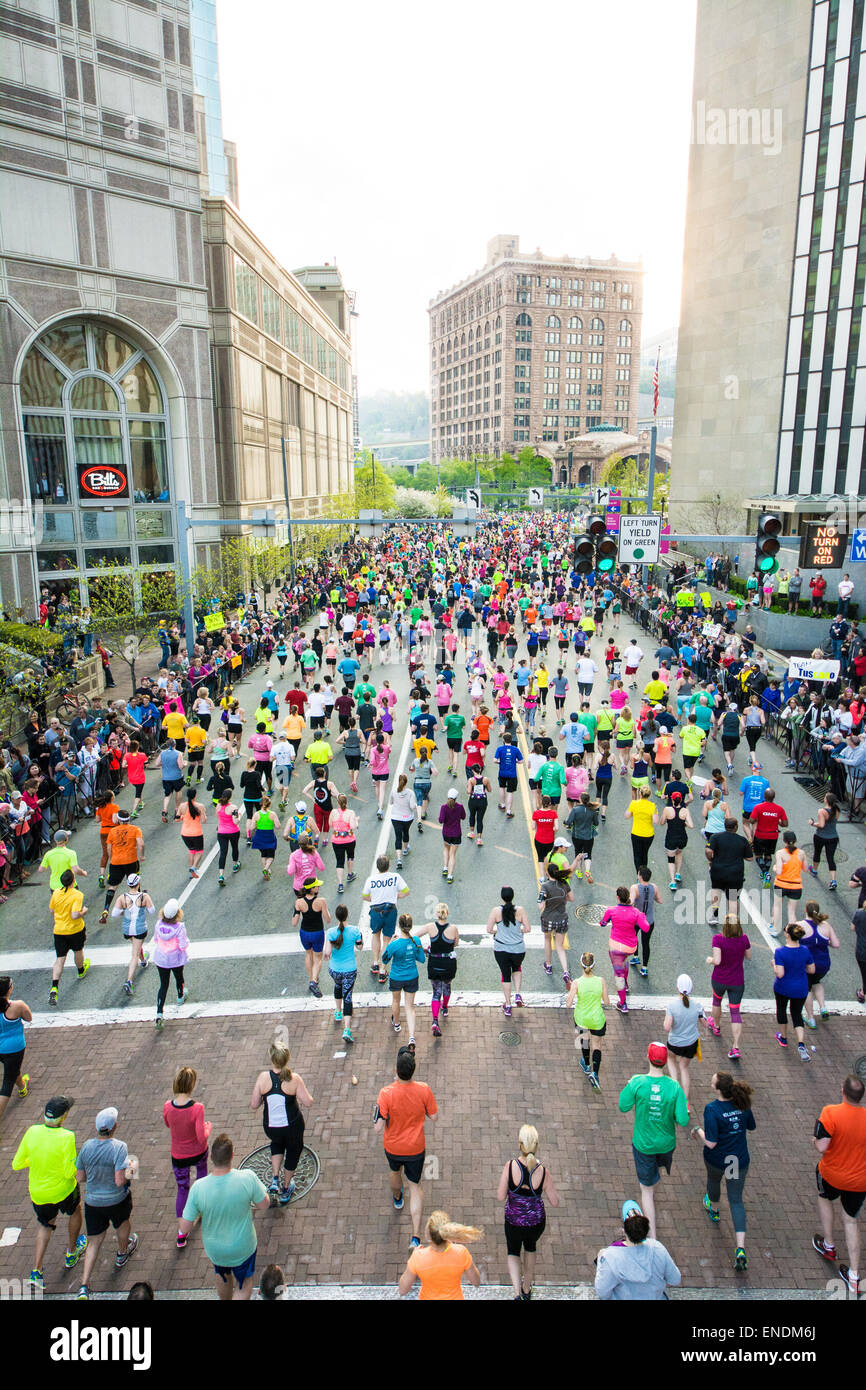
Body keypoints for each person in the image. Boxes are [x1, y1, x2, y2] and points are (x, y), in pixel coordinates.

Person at [178, 1133, 270, 1302]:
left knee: (222, 1275)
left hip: (216, 1250)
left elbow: (184, 1228)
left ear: (211, 1157)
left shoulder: (199, 1188)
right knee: (244, 1283)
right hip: (243, 1246)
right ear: (232, 1156)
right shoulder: (247, 1178)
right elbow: (264, 1204)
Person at [12, 1094, 86, 1290]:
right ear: (63, 1117)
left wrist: (37, 1161)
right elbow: (69, 1171)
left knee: (45, 1225)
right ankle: (72, 1252)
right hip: (64, 1189)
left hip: (39, 1193)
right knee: (76, 1211)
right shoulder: (67, 1136)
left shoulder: (32, 1132)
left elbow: (17, 1163)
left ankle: (36, 1271)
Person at [617, 1041, 689, 1240]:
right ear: (665, 1062)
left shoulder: (638, 1082)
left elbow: (623, 1106)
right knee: (655, 1176)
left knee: (646, 1191)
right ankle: (653, 1181)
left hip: (644, 1145)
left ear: (648, 1058)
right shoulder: (674, 1088)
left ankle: (653, 1238)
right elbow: (683, 1120)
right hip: (666, 1145)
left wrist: (630, 1087)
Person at [374, 1046, 438, 1250]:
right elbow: (434, 1116)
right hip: (415, 1148)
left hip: (392, 1146)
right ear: (413, 1070)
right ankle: (415, 1236)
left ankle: (397, 1198)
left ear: (396, 1070)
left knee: (394, 1172)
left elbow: (377, 1127)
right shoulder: (424, 1089)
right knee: (415, 1186)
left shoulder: (385, 1093)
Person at [691, 1072, 755, 1272]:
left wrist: (697, 1130)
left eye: (713, 1079)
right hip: (736, 1160)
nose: (711, 1080)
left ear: (717, 1088)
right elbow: (751, 1126)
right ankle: (740, 1248)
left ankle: (715, 1211)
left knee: (713, 1182)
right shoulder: (741, 1104)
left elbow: (711, 1142)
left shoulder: (712, 1109)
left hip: (717, 1159)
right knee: (736, 1200)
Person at [74, 1106, 138, 1300]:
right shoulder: (119, 1147)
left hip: (93, 1201)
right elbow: (120, 1180)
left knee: (94, 1241)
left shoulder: (86, 1147)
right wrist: (132, 1169)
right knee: (122, 1224)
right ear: (114, 1126)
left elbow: (80, 1176)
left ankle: (84, 1285)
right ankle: (122, 1252)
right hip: (116, 1199)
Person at [812, 1073, 866, 1295]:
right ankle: (854, 1276)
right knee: (850, 1220)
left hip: (832, 1174)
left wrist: (814, 1140)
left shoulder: (830, 1113)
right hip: (860, 1180)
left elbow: (822, 1147)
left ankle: (829, 1244)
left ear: (842, 1092)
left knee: (824, 1198)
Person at [497, 1124, 560, 1300]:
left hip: (513, 1222)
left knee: (513, 1251)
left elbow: (501, 1196)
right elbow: (554, 1202)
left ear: (520, 1144)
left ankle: (517, 1293)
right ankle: (526, 1288)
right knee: (530, 1248)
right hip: (535, 1223)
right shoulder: (543, 1172)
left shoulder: (510, 1167)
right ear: (536, 1145)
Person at [250, 1042, 314, 1205]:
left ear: (272, 1058)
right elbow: (308, 1102)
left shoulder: (263, 1078)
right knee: (293, 1151)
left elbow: (254, 1104)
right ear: (287, 1059)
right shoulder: (294, 1079)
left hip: (271, 1127)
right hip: (292, 1126)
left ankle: (275, 1178)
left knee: (277, 1145)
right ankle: (286, 1188)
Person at [163, 1065, 211, 1248]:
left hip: (179, 1155)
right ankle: (203, 1213)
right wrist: (208, 1128)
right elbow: (201, 1136)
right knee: (201, 1181)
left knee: (183, 1189)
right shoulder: (197, 1108)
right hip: (198, 1153)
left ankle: (182, 1233)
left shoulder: (168, 1106)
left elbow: (168, 1124)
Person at [594, 1202, 682, 1300]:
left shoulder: (610, 1257)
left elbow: (602, 1293)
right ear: (646, 1231)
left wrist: (601, 1262)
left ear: (624, 1231)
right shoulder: (658, 1248)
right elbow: (675, 1279)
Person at [397, 1210, 482, 1300]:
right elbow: (476, 1282)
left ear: (428, 1235)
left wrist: (413, 1257)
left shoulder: (418, 1257)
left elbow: (403, 1290)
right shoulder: (461, 1252)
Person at [707, 916, 752, 1060]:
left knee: (716, 1001)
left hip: (719, 978)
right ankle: (736, 1047)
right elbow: (749, 956)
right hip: (737, 981)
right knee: (735, 1012)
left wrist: (710, 960)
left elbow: (718, 960)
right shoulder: (744, 939)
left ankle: (717, 1026)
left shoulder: (718, 939)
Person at [362, 854, 409, 983]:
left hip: (376, 911)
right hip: (390, 910)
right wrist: (396, 896)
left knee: (375, 935)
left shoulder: (371, 879)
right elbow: (406, 891)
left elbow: (364, 896)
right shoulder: (395, 877)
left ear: (377, 867)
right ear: (388, 866)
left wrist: (375, 899)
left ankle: (375, 963)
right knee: (387, 939)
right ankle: (383, 969)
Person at [663, 973, 707, 1111]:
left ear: (677, 987)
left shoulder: (672, 1006)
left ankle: (675, 1090)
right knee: (684, 1068)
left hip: (675, 1042)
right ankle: (685, 1102)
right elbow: (705, 1023)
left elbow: (667, 1027)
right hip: (691, 1042)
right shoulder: (697, 1005)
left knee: (671, 1060)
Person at [603, 885, 650, 1014]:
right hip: (630, 947)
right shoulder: (636, 913)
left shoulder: (611, 910)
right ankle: (626, 984)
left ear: (617, 897)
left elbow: (603, 923)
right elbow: (646, 928)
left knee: (618, 976)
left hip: (616, 947)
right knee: (624, 961)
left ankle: (623, 1003)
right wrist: (642, 916)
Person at [566, 952, 609, 1091]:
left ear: (581, 965)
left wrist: (572, 989)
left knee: (584, 1041)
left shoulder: (577, 983)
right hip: (597, 1019)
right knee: (597, 1044)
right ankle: (595, 1073)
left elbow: (568, 1003)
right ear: (594, 965)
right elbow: (607, 1002)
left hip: (581, 1018)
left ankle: (586, 1064)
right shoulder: (600, 981)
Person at [487, 887, 531, 1017]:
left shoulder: (496, 911)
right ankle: (517, 994)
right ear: (513, 896)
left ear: (502, 897)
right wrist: (518, 931)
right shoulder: (520, 910)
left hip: (501, 949)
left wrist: (499, 931)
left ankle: (508, 1004)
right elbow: (527, 929)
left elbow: (489, 929)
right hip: (518, 948)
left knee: (505, 974)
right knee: (517, 968)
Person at [774, 921, 815, 1060]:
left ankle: (783, 1038)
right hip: (801, 988)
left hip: (783, 987)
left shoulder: (780, 952)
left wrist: (774, 964)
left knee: (781, 1009)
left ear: (787, 935)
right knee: (796, 1014)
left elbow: (780, 974)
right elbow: (812, 969)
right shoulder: (805, 950)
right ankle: (801, 1043)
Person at [416, 903, 459, 1038]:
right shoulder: (453, 928)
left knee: (436, 992)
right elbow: (455, 944)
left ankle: (435, 1020)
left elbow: (414, 937)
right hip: (448, 963)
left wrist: (424, 948)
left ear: (437, 914)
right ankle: (444, 1007)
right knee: (447, 986)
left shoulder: (430, 927)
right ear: (447, 914)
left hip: (434, 963)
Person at [383, 913, 426, 1044]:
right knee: (410, 1007)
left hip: (396, 977)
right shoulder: (416, 941)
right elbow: (422, 959)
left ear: (399, 926)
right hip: (412, 976)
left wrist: (390, 942)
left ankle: (397, 1024)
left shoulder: (395, 944)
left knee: (396, 1001)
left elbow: (384, 959)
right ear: (411, 926)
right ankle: (411, 1037)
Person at [48, 867, 89, 1006]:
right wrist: (84, 911)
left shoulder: (56, 894)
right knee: (78, 951)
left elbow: (51, 911)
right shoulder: (77, 894)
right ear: (73, 881)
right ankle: (80, 970)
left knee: (60, 959)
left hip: (59, 930)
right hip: (75, 929)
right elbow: (75, 914)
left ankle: (54, 987)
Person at [324, 903, 363, 1044]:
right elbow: (359, 947)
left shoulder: (331, 932)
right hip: (349, 970)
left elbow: (327, 952)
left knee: (337, 986)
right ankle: (347, 1029)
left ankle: (338, 1011)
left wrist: (328, 954)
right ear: (347, 915)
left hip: (334, 969)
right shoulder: (354, 931)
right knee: (348, 996)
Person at [111, 872, 154, 997]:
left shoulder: (122, 897)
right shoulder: (144, 896)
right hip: (139, 928)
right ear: (138, 883)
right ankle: (129, 980)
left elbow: (114, 914)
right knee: (134, 954)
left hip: (127, 929)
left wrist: (125, 912)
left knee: (136, 945)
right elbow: (152, 911)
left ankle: (143, 960)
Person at [98, 809, 144, 923]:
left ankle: (106, 909)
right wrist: (142, 855)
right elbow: (141, 844)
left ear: (118, 819)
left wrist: (112, 858)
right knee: (134, 884)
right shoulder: (135, 829)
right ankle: (137, 908)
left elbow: (108, 848)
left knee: (113, 886)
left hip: (116, 862)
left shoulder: (112, 831)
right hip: (131, 860)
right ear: (128, 819)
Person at [800, 903, 841, 1028]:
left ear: (805, 910)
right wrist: (824, 942)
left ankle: (811, 1018)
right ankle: (823, 1008)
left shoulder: (800, 925)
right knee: (816, 982)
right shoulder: (826, 926)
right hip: (823, 964)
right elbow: (836, 944)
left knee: (806, 988)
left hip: (808, 964)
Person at [152, 898, 190, 1028]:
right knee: (179, 977)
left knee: (163, 984)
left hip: (161, 958)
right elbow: (183, 945)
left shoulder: (158, 925)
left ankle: (159, 1013)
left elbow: (156, 940)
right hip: (176, 958)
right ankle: (180, 996)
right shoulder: (180, 928)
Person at [0, 976, 30, 1129]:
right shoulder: (17, 1005)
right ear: (9, 989)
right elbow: (28, 1017)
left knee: (12, 1070)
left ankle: (23, 1088)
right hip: (14, 1048)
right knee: (6, 1084)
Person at [293, 875, 330, 998]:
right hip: (317, 933)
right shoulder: (321, 901)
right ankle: (314, 981)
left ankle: (311, 979)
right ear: (312, 889)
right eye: (317, 886)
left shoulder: (298, 902)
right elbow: (328, 919)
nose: (319, 887)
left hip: (304, 932)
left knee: (308, 954)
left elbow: (294, 923)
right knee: (318, 957)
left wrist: (297, 911)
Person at [539, 862, 573, 986]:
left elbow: (540, 904)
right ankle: (565, 972)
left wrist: (545, 900)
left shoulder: (545, 886)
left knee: (548, 940)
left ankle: (548, 965)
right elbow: (571, 898)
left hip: (548, 917)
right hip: (562, 917)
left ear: (547, 873)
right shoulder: (564, 884)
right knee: (560, 946)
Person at [772, 830, 807, 935]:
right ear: (795, 840)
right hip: (796, 886)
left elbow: (778, 871)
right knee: (791, 911)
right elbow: (805, 869)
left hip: (780, 884)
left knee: (777, 906)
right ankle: (793, 932)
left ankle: (775, 928)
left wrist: (774, 868)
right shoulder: (801, 853)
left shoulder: (780, 853)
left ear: (784, 841)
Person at [660, 792, 692, 889]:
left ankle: (673, 881)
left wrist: (667, 819)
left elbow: (661, 823)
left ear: (672, 800)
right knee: (679, 853)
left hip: (671, 838)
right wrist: (683, 822)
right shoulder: (685, 811)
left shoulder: (667, 810)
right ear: (681, 800)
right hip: (682, 837)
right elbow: (691, 825)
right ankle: (678, 873)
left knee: (671, 859)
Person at [809, 792, 840, 890]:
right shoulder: (837, 810)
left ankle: (814, 870)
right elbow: (833, 821)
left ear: (826, 800)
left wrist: (813, 823)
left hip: (821, 836)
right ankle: (833, 880)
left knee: (817, 853)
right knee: (830, 858)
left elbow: (822, 825)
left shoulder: (822, 811)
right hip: (833, 837)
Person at [625, 784, 657, 872]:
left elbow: (627, 816)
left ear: (640, 794)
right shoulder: (653, 806)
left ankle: (639, 874)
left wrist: (633, 812)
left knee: (637, 855)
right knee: (644, 853)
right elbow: (655, 821)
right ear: (649, 794)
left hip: (636, 833)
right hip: (648, 835)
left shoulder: (634, 803)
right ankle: (644, 870)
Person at [438, 786, 465, 884]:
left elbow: (441, 820)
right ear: (456, 797)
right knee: (453, 854)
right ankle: (450, 875)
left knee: (446, 849)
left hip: (446, 833)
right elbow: (464, 817)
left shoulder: (444, 807)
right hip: (456, 833)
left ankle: (445, 868)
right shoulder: (460, 807)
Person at [216, 789, 242, 886]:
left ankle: (221, 875)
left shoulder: (218, 806)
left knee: (223, 852)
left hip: (221, 832)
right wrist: (239, 816)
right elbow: (236, 822)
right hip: (233, 831)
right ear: (230, 797)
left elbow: (218, 817)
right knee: (234, 847)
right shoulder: (233, 808)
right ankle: (235, 864)